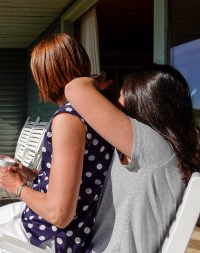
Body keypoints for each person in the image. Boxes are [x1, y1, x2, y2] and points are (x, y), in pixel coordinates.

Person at [0, 33, 114, 253]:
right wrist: (32, 174)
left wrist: (15, 186)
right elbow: (79, 178)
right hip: (64, 222)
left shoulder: (68, 119)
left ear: (46, 75)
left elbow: (60, 214)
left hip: (51, 234)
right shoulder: (94, 113)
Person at [64, 64, 200, 252]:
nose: (117, 104)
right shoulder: (165, 151)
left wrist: (97, 80)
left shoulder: (152, 146)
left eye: (121, 96)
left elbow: (75, 89)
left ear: (142, 102)